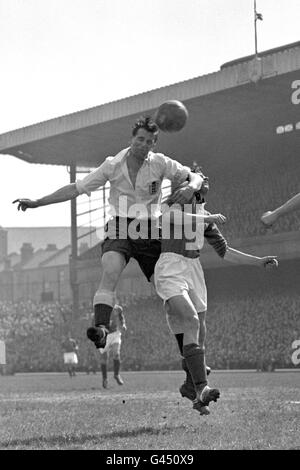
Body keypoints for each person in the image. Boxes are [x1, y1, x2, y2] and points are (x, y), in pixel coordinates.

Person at [13, 116, 203, 351]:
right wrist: (38, 202)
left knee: (171, 296)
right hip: (120, 227)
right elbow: (76, 187)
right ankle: (101, 328)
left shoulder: (161, 163)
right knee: (111, 270)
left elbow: (195, 177)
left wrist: (190, 187)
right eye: (140, 139)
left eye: (149, 141)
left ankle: (190, 358)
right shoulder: (113, 165)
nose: (144, 145)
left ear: (154, 144)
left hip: (151, 232)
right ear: (132, 139)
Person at [154, 166, 278, 415]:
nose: (205, 182)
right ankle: (202, 387)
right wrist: (207, 219)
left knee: (198, 332)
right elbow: (168, 219)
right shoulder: (175, 204)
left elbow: (225, 251)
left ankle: (192, 389)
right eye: (201, 179)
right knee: (189, 319)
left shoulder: (205, 215)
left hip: (194, 269)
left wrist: (257, 260)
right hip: (171, 266)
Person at [98, 304, 127, 388]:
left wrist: (123, 326)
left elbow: (122, 320)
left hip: (115, 334)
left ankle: (116, 374)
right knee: (104, 358)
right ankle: (105, 379)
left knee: (116, 353)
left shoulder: (118, 309)